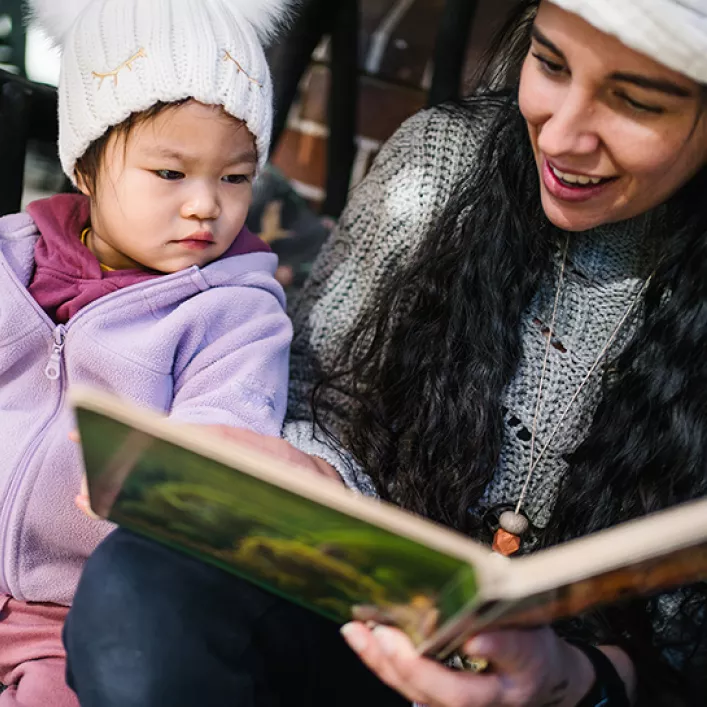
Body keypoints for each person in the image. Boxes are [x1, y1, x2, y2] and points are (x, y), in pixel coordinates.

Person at [64, 0, 707, 705]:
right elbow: (316, 395)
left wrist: (573, 679)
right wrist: (316, 477)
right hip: (356, 641)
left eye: (634, 102)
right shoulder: (442, 164)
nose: (560, 133)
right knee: (145, 579)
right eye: (549, 64)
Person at [0, 0, 296, 704]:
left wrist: (160, 468)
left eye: (233, 177)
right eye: (171, 174)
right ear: (86, 166)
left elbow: (227, 437)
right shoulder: (13, 259)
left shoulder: (235, 314)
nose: (205, 205)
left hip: (74, 614)